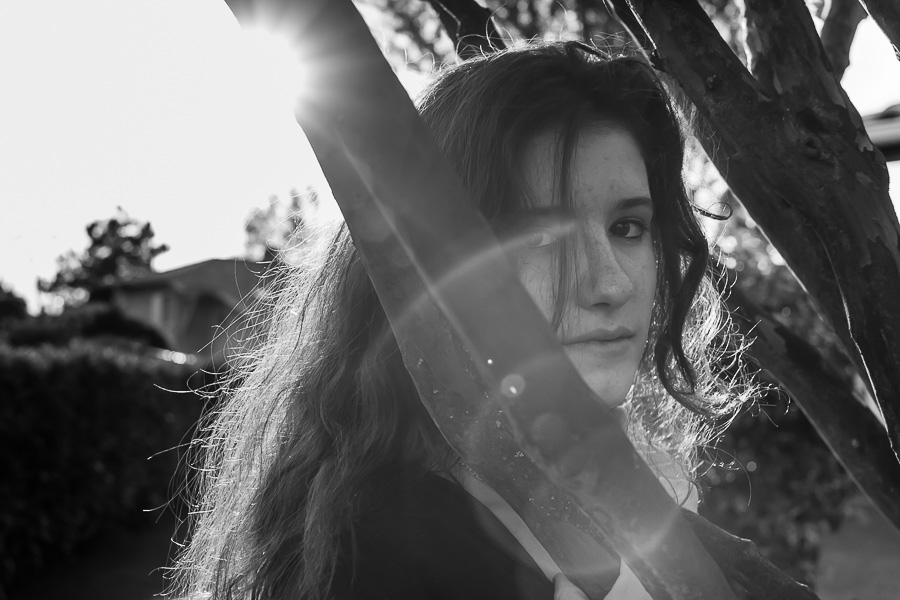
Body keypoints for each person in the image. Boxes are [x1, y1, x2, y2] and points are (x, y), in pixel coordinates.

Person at [170, 41, 756, 600]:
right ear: (436, 272)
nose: (610, 284)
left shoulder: (658, 482)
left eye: (628, 228)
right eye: (541, 236)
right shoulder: (372, 550)